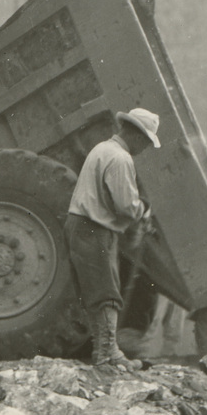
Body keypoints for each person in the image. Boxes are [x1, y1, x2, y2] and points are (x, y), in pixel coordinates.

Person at [64, 107, 160, 369]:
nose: (145, 148)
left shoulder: (102, 149)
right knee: (106, 291)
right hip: (94, 228)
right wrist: (144, 210)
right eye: (147, 142)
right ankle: (108, 353)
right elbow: (125, 205)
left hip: (80, 225)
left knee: (94, 290)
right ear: (138, 136)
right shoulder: (120, 159)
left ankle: (103, 349)